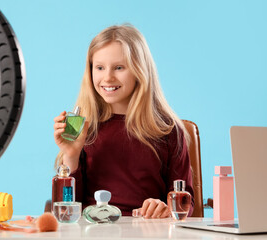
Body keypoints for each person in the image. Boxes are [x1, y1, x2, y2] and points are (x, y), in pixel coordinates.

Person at [53, 24, 194, 218]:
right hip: (93, 230)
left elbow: (186, 204)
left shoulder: (168, 130)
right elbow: (65, 211)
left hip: (147, 230)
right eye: (100, 68)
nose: (108, 77)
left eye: (119, 67)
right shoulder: (83, 127)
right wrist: (71, 155)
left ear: (139, 71)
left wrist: (164, 209)